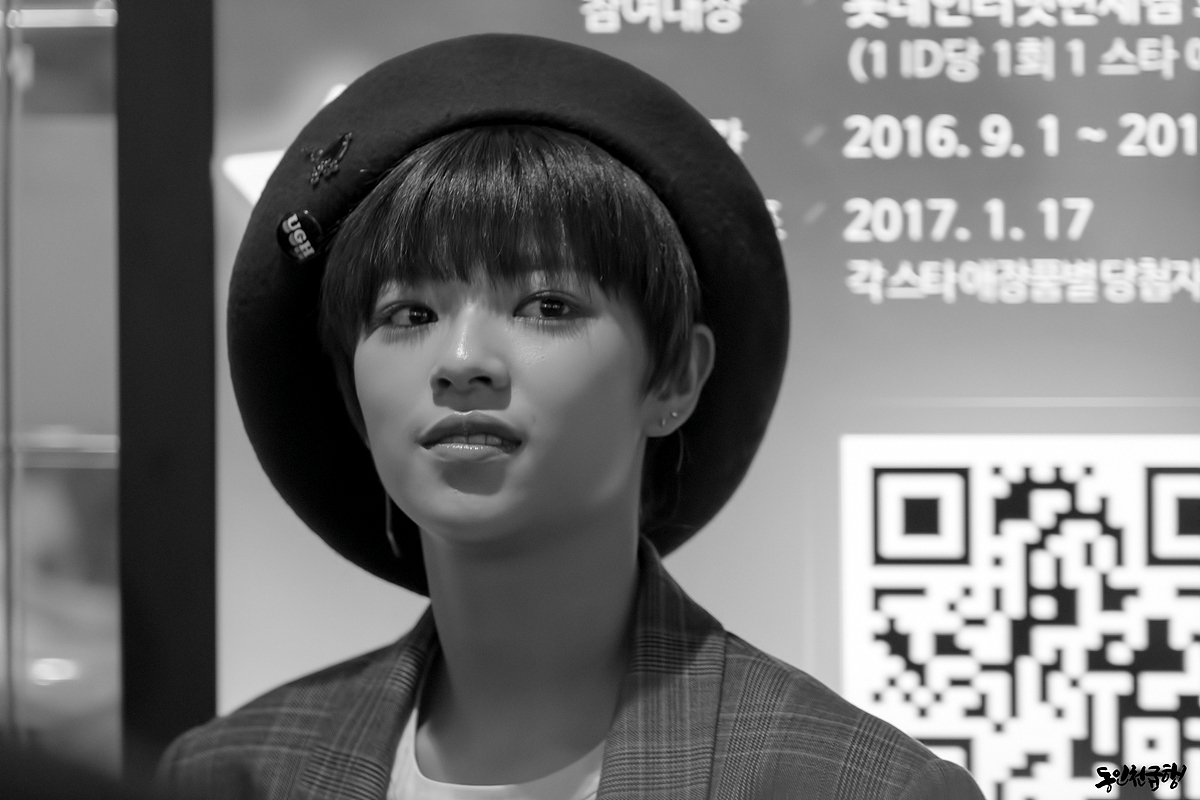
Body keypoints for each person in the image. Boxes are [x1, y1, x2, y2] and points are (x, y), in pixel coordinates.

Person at [158, 34, 984, 799]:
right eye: (409, 315)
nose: (461, 360)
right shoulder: (231, 777)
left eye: (547, 305)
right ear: (350, 387)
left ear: (675, 376)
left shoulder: (854, 787)